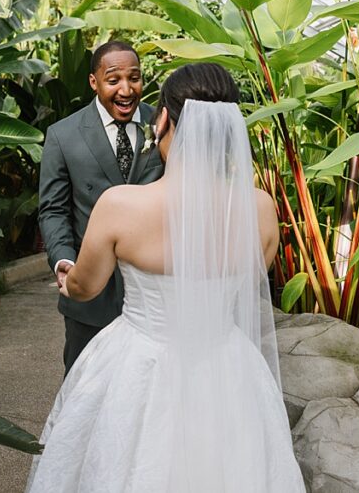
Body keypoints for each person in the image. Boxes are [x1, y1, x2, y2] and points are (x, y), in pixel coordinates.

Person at [26, 63, 305, 492]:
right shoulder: (260, 209)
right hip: (228, 367)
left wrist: (66, 274)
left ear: (162, 121)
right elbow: (250, 279)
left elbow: (86, 286)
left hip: (139, 365)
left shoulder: (121, 205)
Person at [38, 41, 164, 373]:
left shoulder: (164, 126)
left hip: (156, 293)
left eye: (134, 78)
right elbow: (53, 210)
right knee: (84, 386)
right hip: (91, 293)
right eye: (114, 79)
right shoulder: (62, 135)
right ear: (94, 82)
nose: (126, 89)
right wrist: (65, 260)